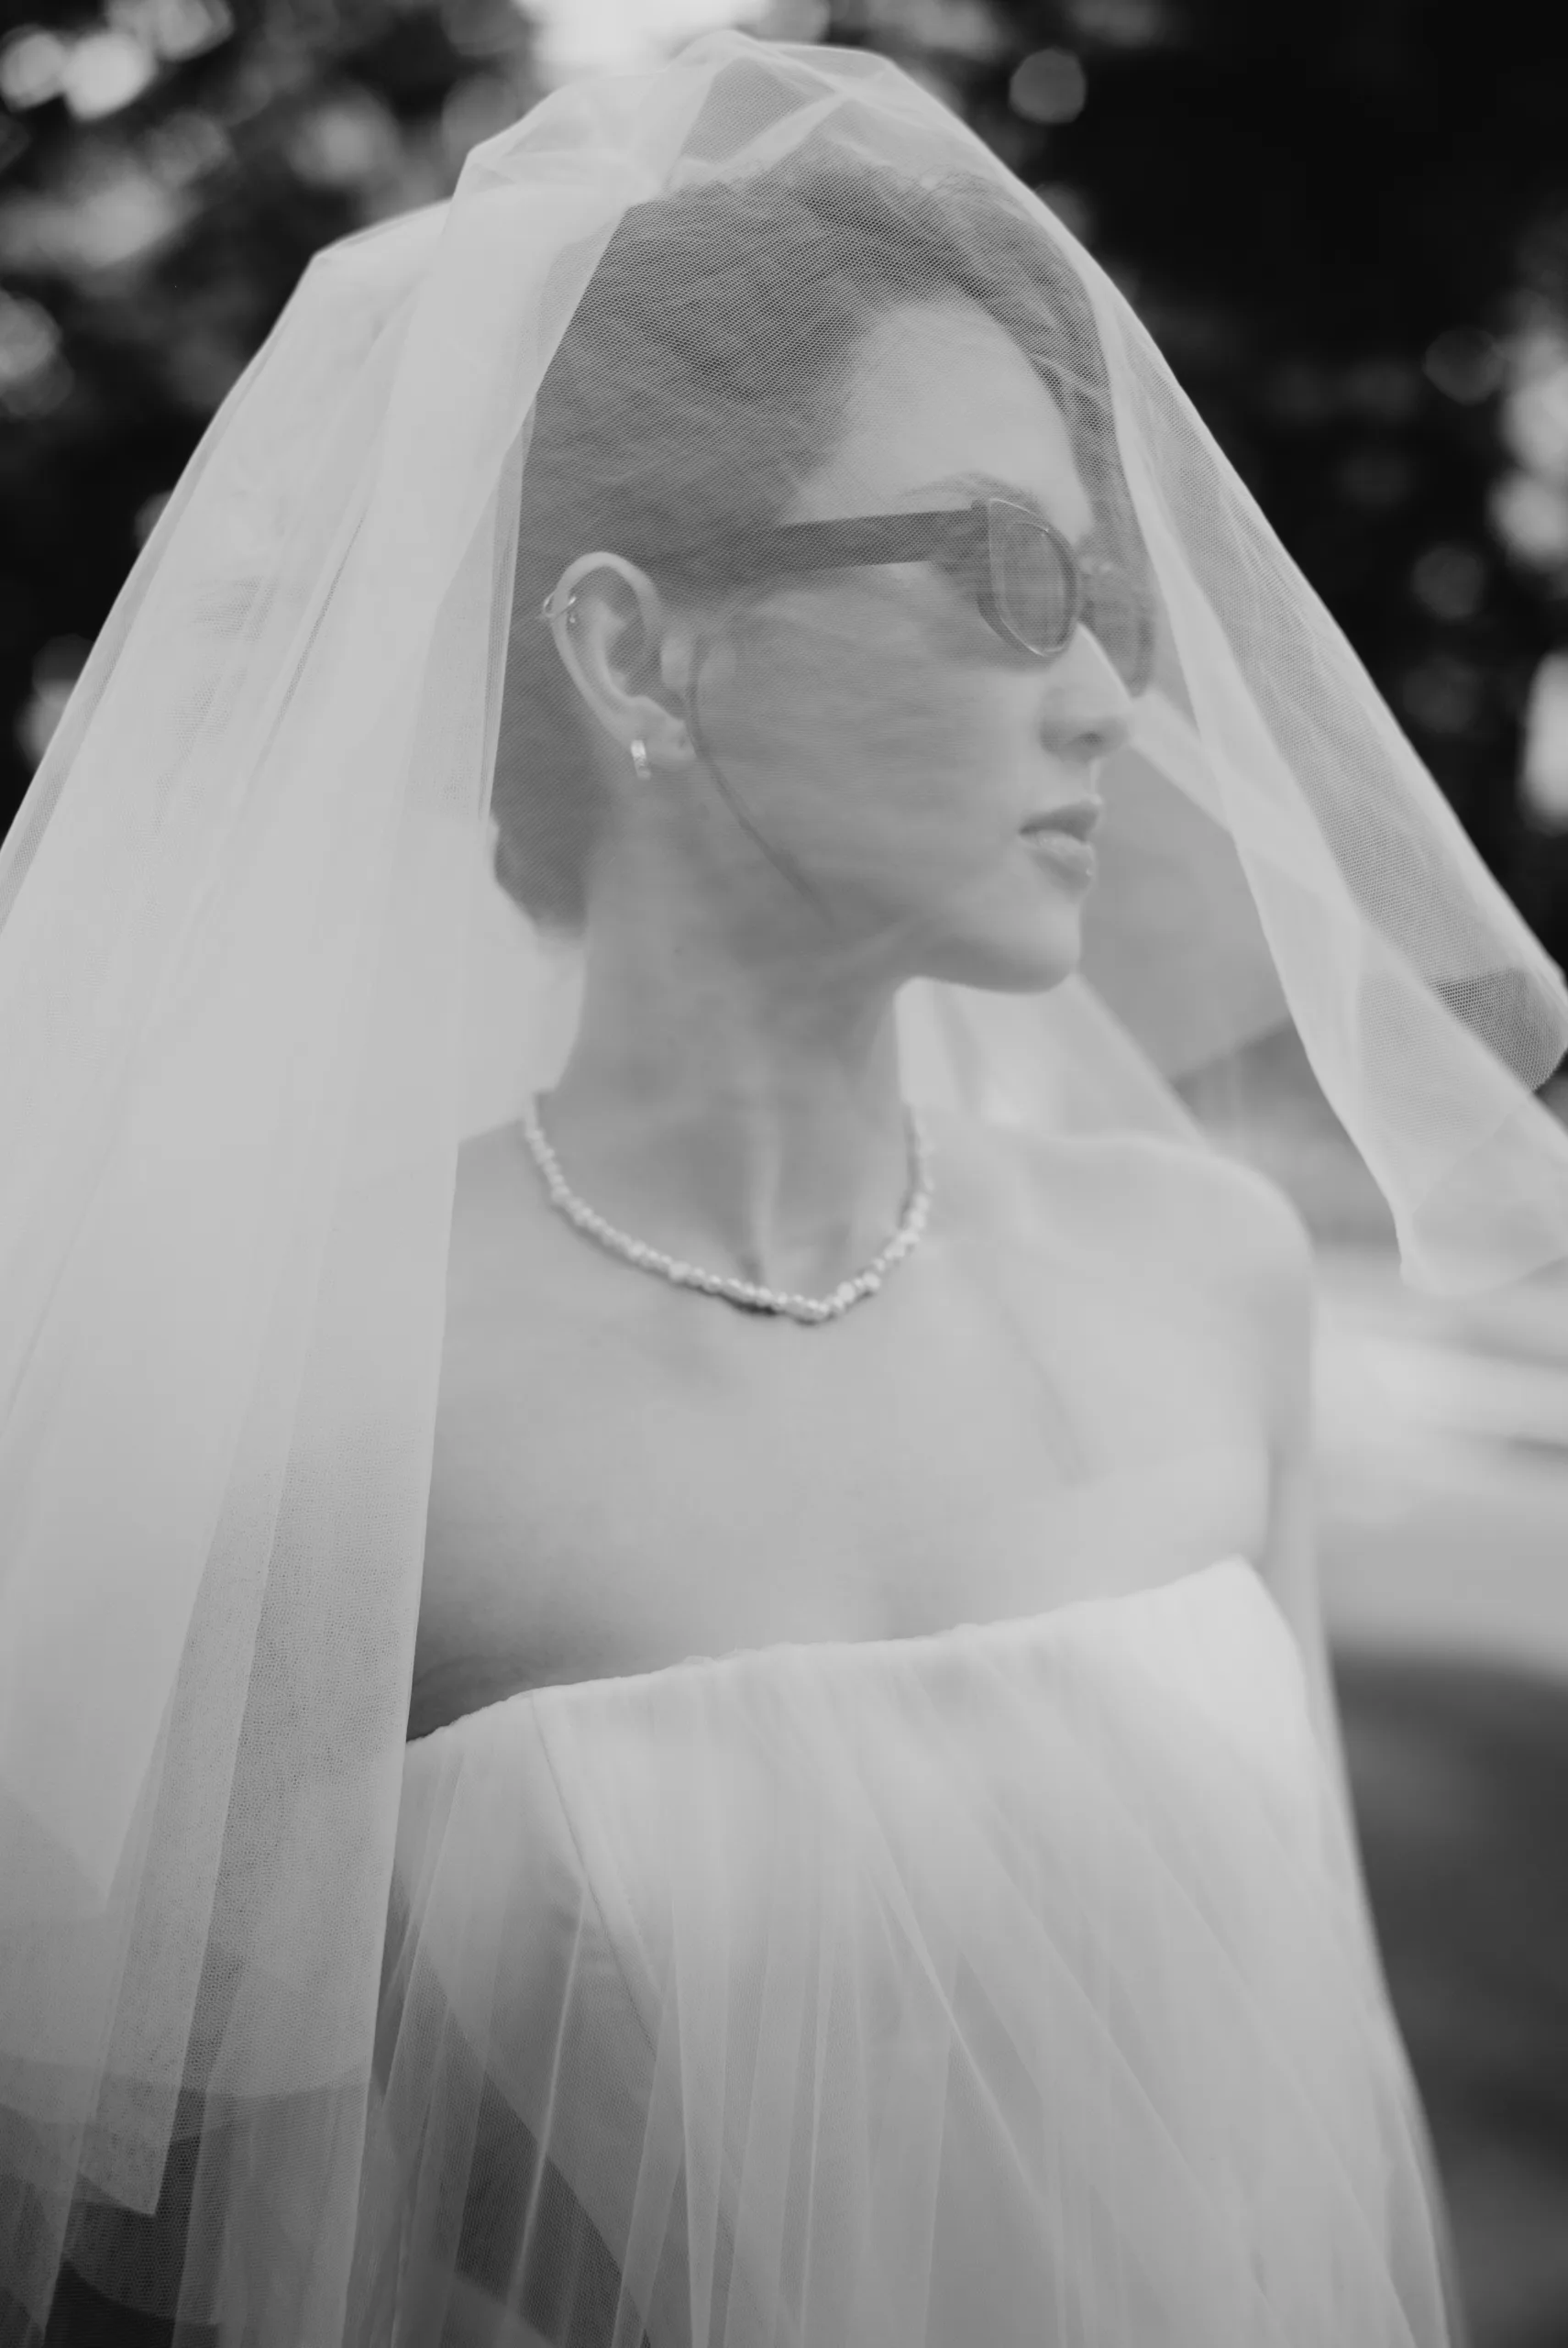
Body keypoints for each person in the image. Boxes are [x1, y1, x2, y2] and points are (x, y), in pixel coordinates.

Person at [2, 29, 1563, 2346]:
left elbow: (1311, 2090)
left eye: (1109, 602)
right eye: (1004, 573)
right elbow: (152, 2222)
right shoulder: (335, 1403)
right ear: (635, 646)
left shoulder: (1205, 1281)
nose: (1105, 699)